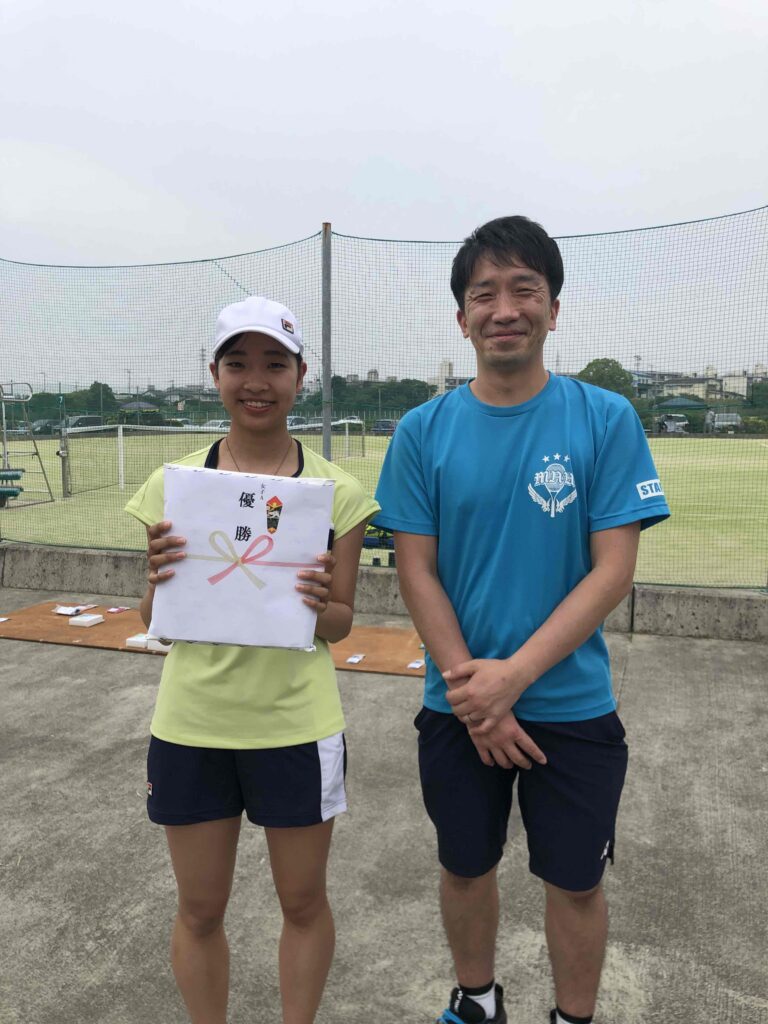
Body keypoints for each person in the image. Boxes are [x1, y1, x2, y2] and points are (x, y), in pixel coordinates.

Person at [374, 216, 670, 1024]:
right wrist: (476, 692)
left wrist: (513, 679)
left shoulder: (604, 419)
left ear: (554, 308)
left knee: (576, 880)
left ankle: (573, 1017)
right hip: (457, 709)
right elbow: (415, 568)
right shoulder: (421, 431)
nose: (505, 309)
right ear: (461, 318)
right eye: (484, 294)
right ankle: (475, 1001)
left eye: (524, 291)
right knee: (465, 866)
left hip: (568, 707)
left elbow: (613, 570)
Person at [125, 296, 379, 1024]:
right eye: (238, 363)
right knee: (200, 910)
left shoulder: (338, 493)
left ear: (302, 376)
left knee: (302, 902)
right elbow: (156, 623)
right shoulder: (175, 485)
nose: (256, 380)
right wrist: (160, 578)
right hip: (193, 723)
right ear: (214, 373)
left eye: (275, 363)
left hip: (295, 725)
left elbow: (339, 623)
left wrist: (314, 598)